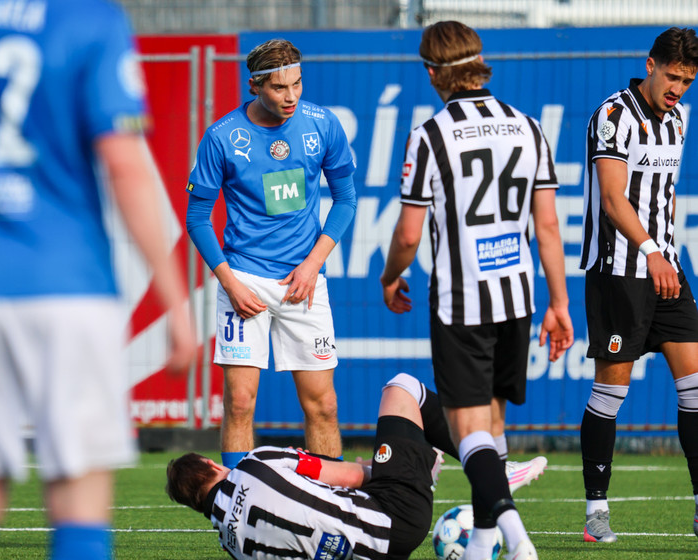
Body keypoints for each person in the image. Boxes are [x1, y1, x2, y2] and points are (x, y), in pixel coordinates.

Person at [0, 1, 197, 559]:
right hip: (67, 284)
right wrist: (175, 302)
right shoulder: (88, 18)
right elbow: (124, 163)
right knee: (78, 496)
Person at [380, 21, 574, 560]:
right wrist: (559, 304)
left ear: (432, 72)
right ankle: (484, 541)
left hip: (462, 302)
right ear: (478, 63)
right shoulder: (528, 128)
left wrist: (390, 276)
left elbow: (408, 234)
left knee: (468, 432)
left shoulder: (430, 135)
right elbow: (548, 227)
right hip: (517, 297)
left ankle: (517, 538)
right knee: (492, 428)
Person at [185, 38, 356, 468]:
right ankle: (235, 500)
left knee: (323, 406)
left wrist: (313, 264)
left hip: (304, 282)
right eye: (280, 87)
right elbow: (197, 218)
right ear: (255, 85)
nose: (291, 95)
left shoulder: (323, 124)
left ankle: (329, 501)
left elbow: (346, 199)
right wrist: (230, 283)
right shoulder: (221, 137)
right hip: (244, 282)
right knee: (240, 403)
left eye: (297, 84)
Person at [578, 27, 698, 543]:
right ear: (650, 65)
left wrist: (663, 252)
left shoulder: (679, 119)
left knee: (696, 388)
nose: (678, 89)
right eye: (672, 77)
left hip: (665, 268)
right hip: (619, 271)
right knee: (611, 392)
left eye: (688, 81)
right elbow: (612, 198)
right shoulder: (613, 116)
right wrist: (650, 251)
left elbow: (662, 195)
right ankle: (596, 511)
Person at [166, 373, 470, 559]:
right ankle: (482, 459)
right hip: (397, 515)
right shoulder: (255, 463)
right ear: (211, 464)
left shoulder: (232, 546)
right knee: (402, 387)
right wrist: (399, 470)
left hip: (378, 552)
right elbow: (351, 475)